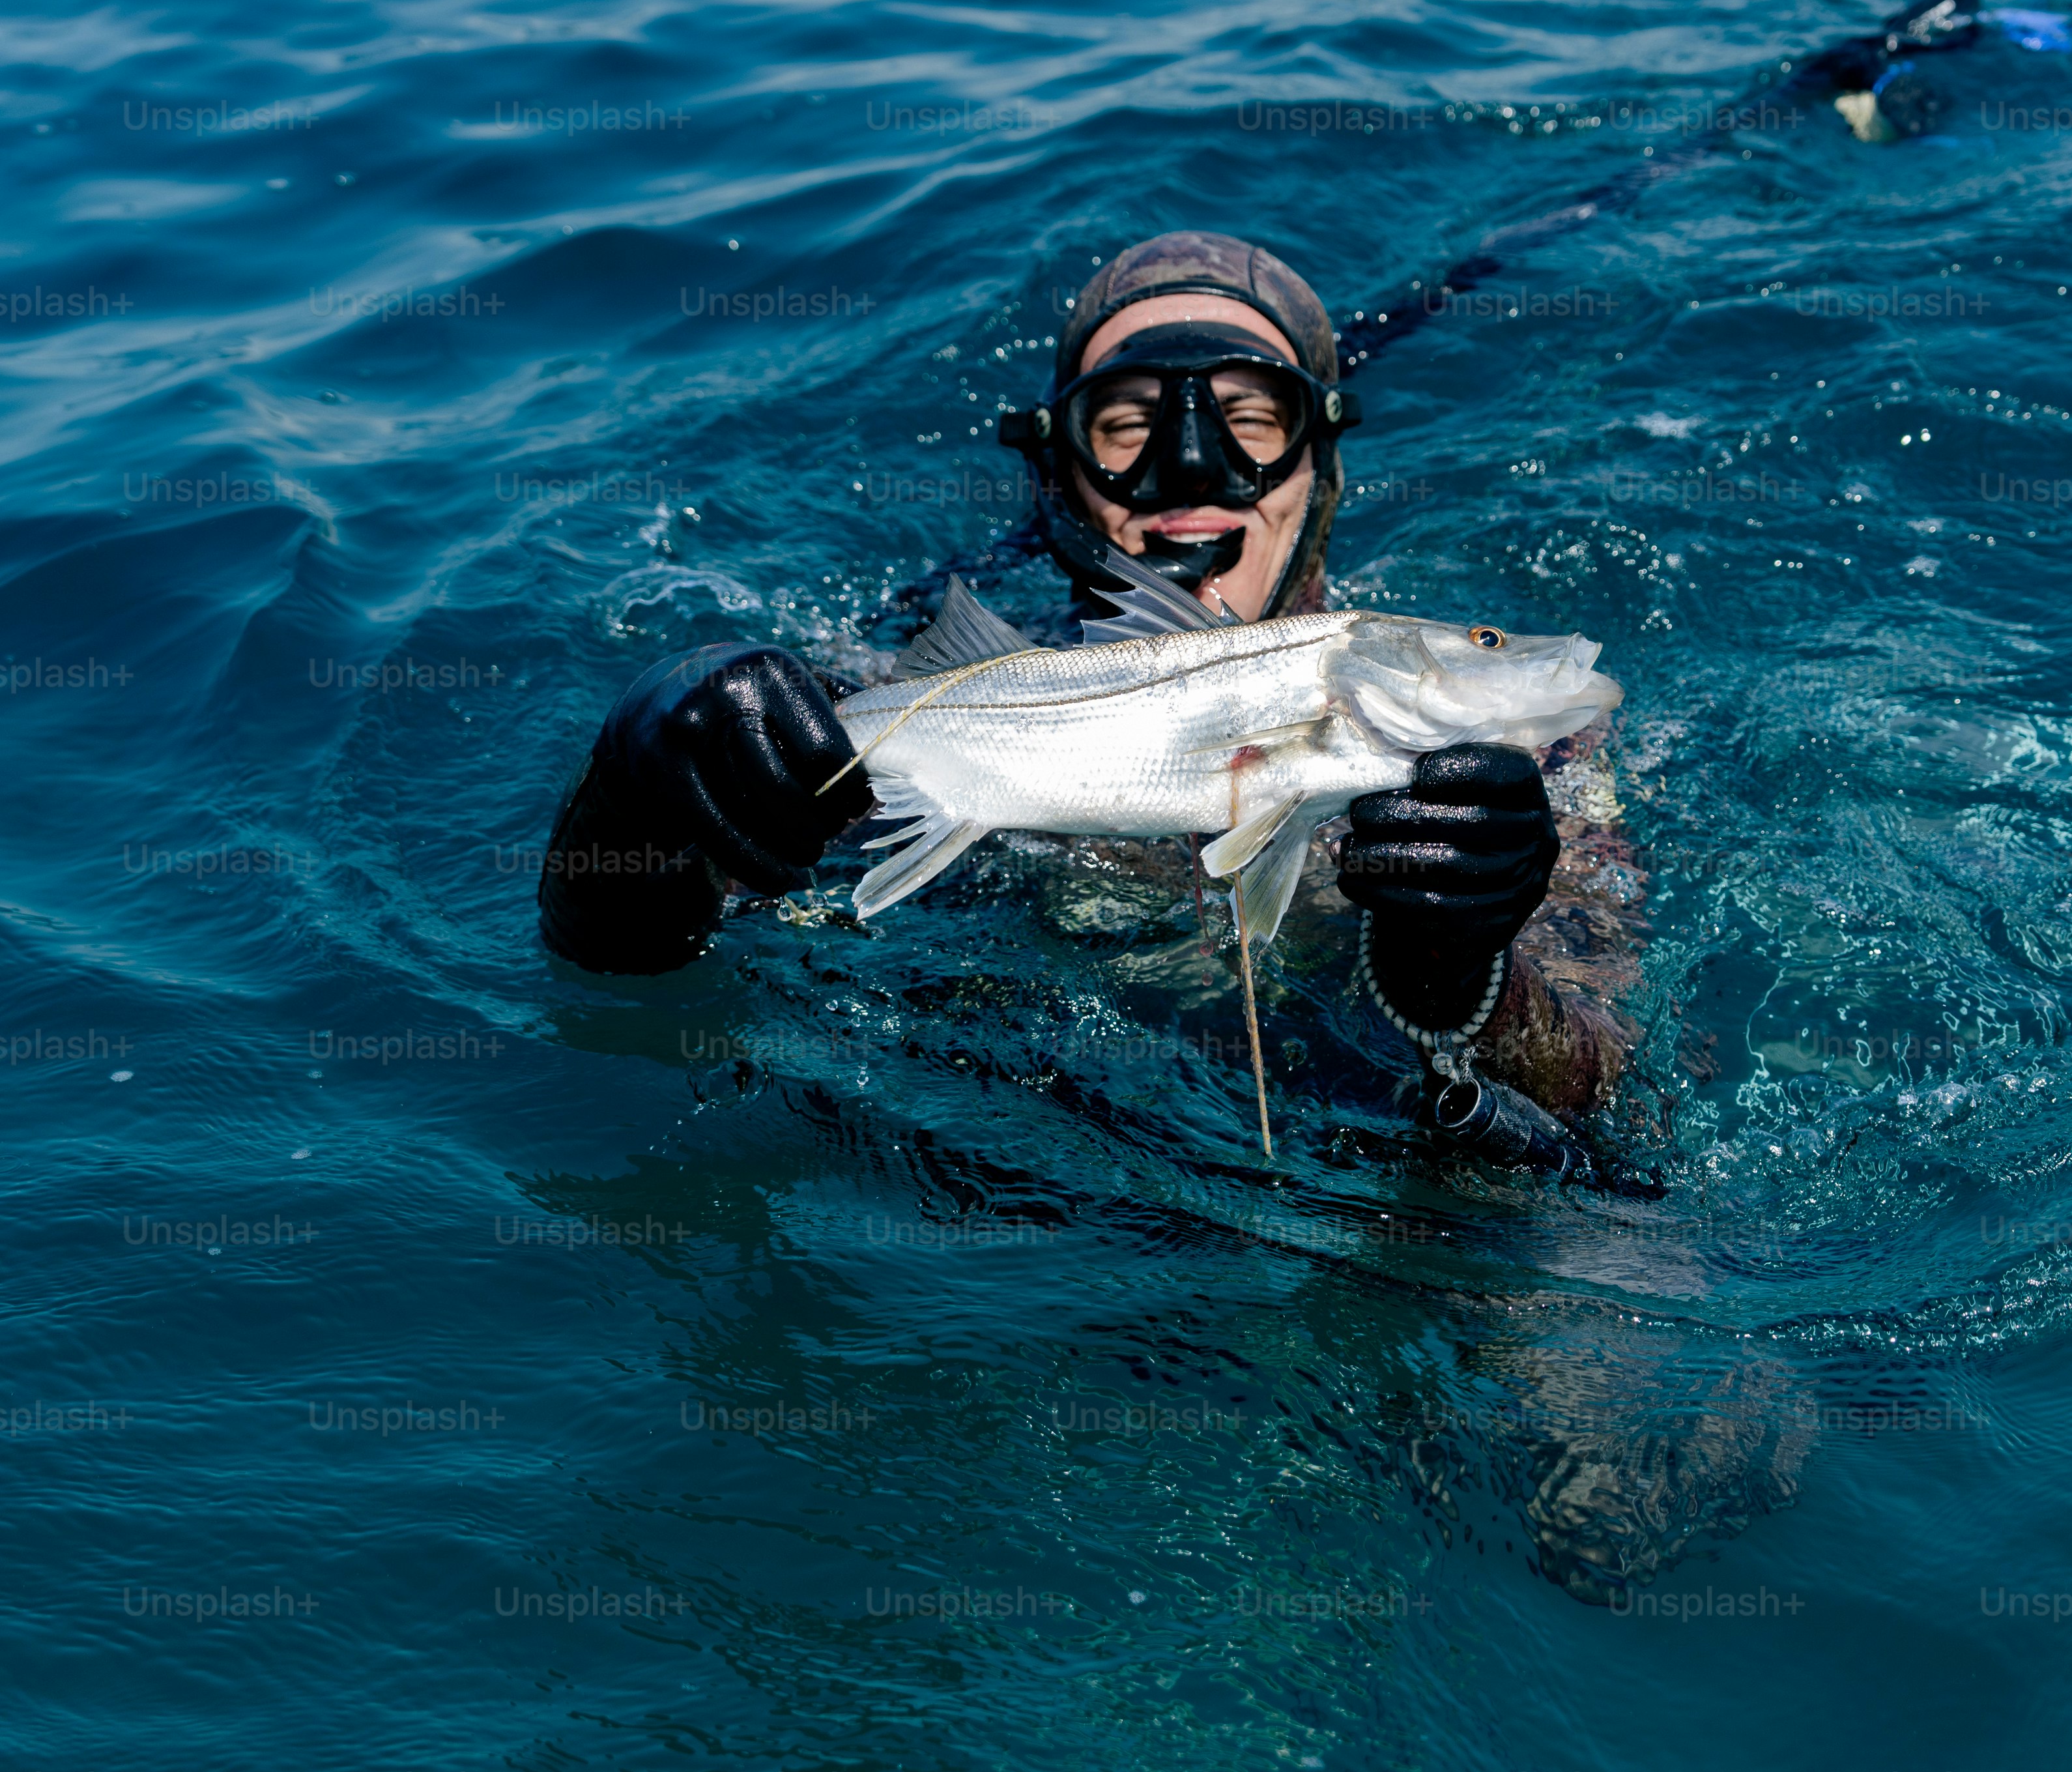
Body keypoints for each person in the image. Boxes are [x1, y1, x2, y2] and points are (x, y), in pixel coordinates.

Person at [532, 229, 1638, 1122]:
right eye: (1126, 425)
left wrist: (1461, 974)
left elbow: (1600, 1102)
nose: (1190, 472)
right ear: (1062, 476)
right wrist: (624, 800)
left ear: (1319, 466)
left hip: (1363, 1181)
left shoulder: (1528, 765)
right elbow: (630, 983)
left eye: (1251, 417)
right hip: (999, 1165)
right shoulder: (872, 686)